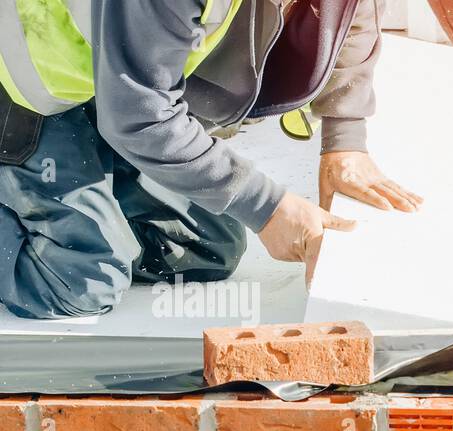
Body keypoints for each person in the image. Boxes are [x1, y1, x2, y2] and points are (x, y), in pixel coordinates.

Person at [0, 0, 422, 320]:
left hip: (97, 85)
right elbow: (139, 116)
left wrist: (344, 140)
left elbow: (350, 12)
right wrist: (268, 208)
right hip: (20, 87)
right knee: (83, 279)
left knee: (202, 248)